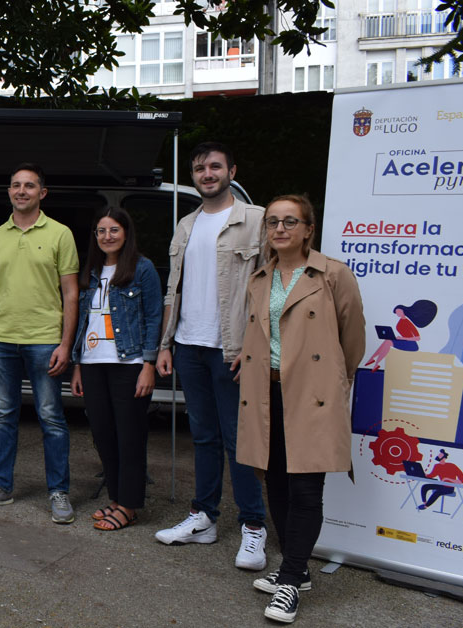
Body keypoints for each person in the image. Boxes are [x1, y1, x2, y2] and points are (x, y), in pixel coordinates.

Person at [235, 194, 365, 623]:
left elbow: (352, 340)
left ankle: (290, 580)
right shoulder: (259, 276)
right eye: (272, 221)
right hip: (266, 394)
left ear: (309, 228)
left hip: (312, 394)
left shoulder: (333, 275)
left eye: (290, 221)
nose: (280, 229)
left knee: (307, 490)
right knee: (275, 482)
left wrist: (330, 381)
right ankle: (298, 568)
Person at [154, 142, 269, 570]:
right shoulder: (185, 224)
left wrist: (256, 349)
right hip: (188, 346)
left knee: (240, 442)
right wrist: (165, 345)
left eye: (215, 166)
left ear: (231, 170)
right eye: (200, 168)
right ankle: (204, 517)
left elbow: (270, 289)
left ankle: (253, 527)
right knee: (201, 438)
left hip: (232, 350)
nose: (207, 173)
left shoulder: (255, 220)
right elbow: (174, 290)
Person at [0, 163, 80, 524]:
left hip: (44, 340)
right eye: (15, 185)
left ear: (42, 193)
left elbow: (71, 293)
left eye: (29, 186)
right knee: (4, 416)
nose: (21, 191)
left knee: (51, 417)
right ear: (9, 192)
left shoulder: (61, 234)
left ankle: (58, 491)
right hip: (0, 340)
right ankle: (0, 486)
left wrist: (66, 344)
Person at [70, 207, 162, 531]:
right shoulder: (92, 270)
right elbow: (85, 320)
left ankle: (130, 504)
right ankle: (116, 497)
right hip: (93, 364)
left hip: (129, 363)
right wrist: (78, 364)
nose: (107, 236)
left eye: (113, 230)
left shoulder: (143, 268)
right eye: (101, 231)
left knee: (130, 436)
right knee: (103, 435)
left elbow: (154, 317)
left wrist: (148, 364)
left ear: (126, 233)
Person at [363, 299, 438, 371]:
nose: (397, 313)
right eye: (396, 312)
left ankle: (375, 362)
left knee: (388, 342)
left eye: (398, 312)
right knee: (387, 341)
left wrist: (402, 338)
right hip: (404, 341)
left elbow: (417, 338)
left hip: (411, 344)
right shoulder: (400, 321)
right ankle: (373, 360)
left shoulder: (408, 323)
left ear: (403, 311)